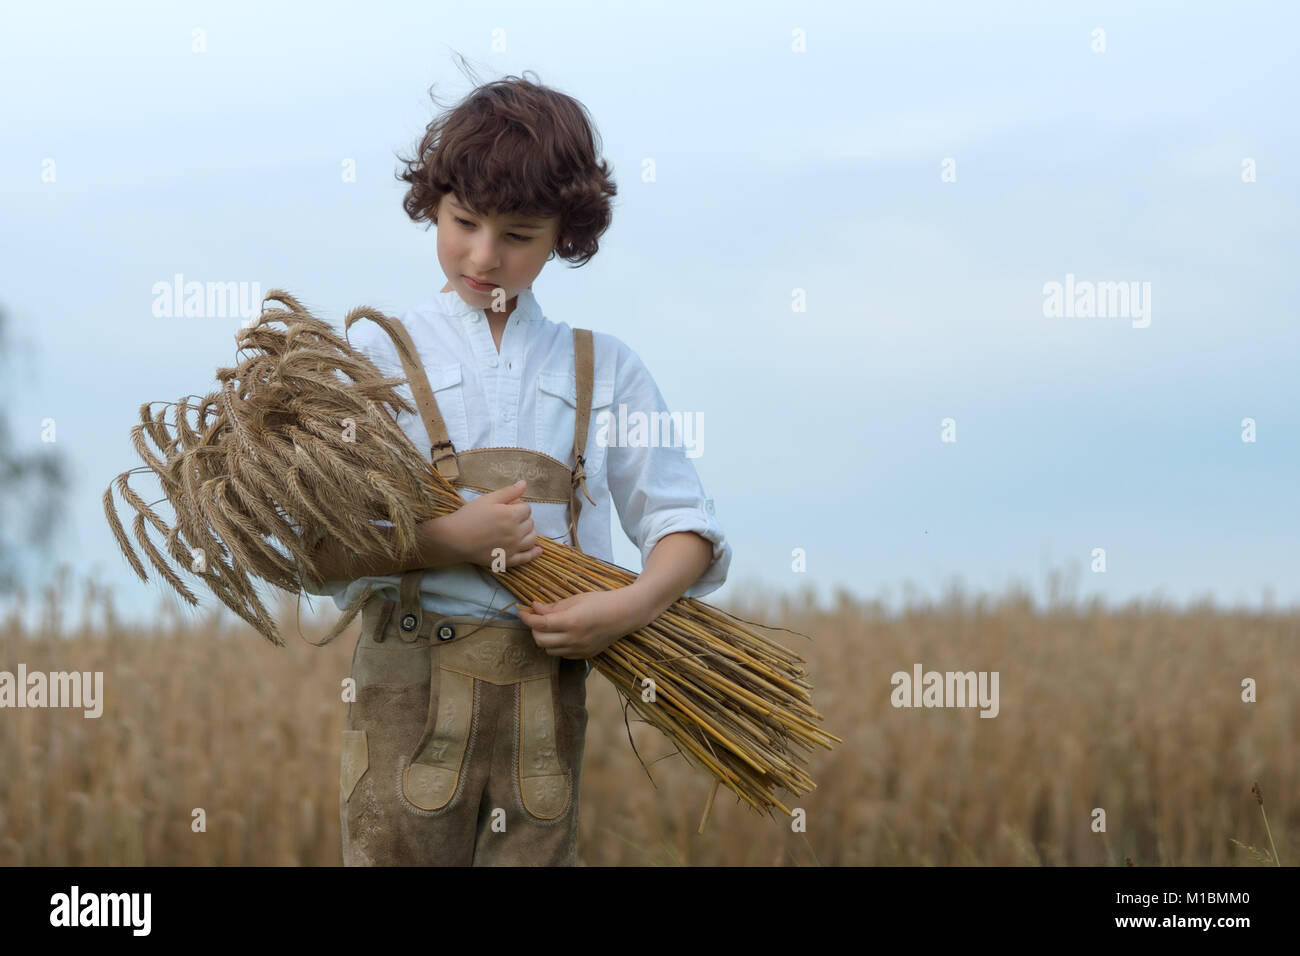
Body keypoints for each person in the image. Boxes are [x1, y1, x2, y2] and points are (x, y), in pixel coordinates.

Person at [302, 70, 731, 866]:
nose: (484, 256)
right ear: (432, 202)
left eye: (520, 235)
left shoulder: (605, 370)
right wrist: (448, 539)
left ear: (566, 232)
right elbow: (317, 553)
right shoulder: (369, 361)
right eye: (463, 222)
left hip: (544, 705)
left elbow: (685, 529)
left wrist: (629, 607)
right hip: (404, 698)